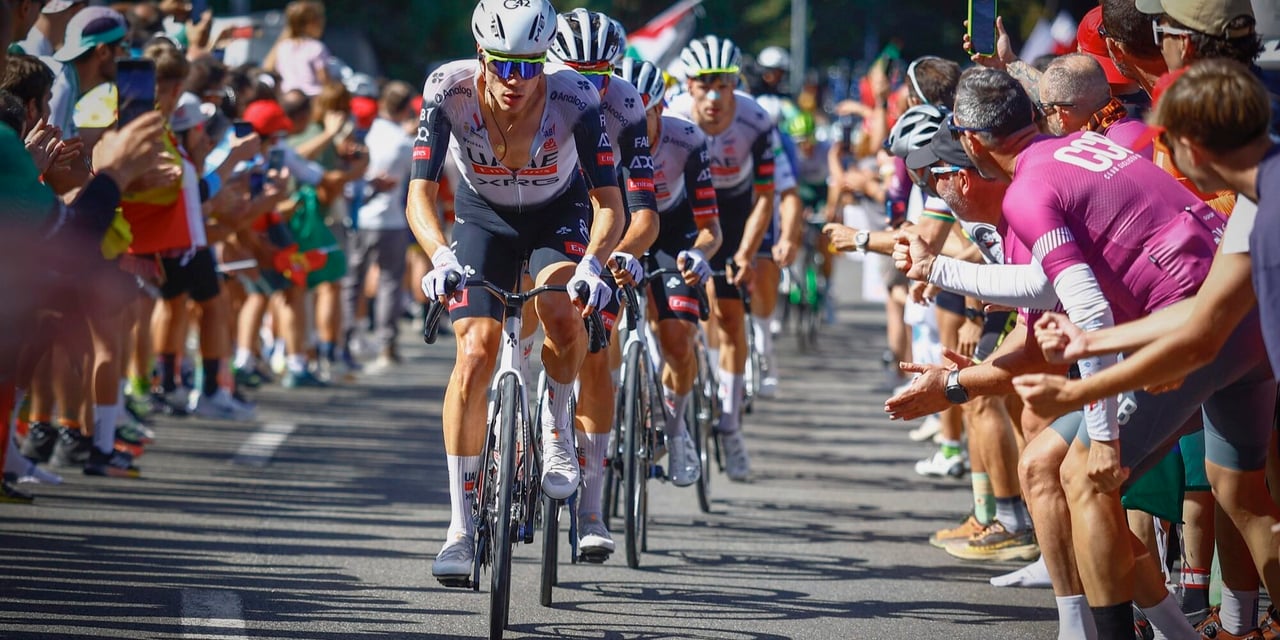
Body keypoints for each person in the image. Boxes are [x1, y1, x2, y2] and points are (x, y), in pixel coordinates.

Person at [1013, 58, 1280, 639]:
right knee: (1239, 488)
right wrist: (1094, 342)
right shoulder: (1250, 201)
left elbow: (1200, 337)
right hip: (1253, 353)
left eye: (1161, 142)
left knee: (1086, 475)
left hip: (1239, 351)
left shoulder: (1262, 204)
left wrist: (1083, 386)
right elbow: (1203, 312)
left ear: (1193, 142)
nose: (1158, 162)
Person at [410, 0, 625, 585]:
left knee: (560, 307)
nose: (516, 80)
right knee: (475, 351)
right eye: (503, 64)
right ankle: (458, 527)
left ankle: (557, 425)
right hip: (483, 218)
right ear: (481, 54)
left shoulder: (576, 96)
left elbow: (611, 203)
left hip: (559, 213)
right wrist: (439, 257)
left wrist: (592, 266)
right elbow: (420, 196)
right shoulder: (446, 90)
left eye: (530, 65)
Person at [547, 8, 660, 560]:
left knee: (596, 352)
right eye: (578, 73)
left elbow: (643, 210)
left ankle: (591, 509)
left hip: (600, 226)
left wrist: (618, 256)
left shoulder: (625, 104)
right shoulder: (530, 92)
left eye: (601, 75)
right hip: (538, 217)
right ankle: (518, 421)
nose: (590, 88)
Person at [665, 35, 776, 482]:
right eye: (703, 85)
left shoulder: (755, 120)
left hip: (731, 210)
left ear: (736, 85)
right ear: (686, 86)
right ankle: (673, 413)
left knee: (730, 316)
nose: (713, 97)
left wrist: (746, 254)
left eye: (724, 85)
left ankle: (730, 425)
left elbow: (765, 199)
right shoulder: (669, 114)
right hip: (681, 208)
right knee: (676, 320)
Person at [617, 55, 722, 488]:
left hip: (672, 233)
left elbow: (710, 228)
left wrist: (699, 255)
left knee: (678, 338)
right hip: (618, 228)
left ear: (662, 107)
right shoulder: (598, 136)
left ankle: (677, 432)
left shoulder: (687, 139)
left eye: (644, 115)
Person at [340, 80, 415, 372]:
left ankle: (344, 341)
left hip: (361, 216)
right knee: (390, 284)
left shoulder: (366, 134)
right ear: (406, 107)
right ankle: (387, 343)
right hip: (392, 219)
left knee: (353, 282)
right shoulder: (404, 141)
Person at [265, 0, 329, 98]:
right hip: (313, 97)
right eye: (319, 19)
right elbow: (324, 80)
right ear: (309, 23)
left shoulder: (282, 47)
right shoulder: (316, 47)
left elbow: (269, 67)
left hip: (289, 99)